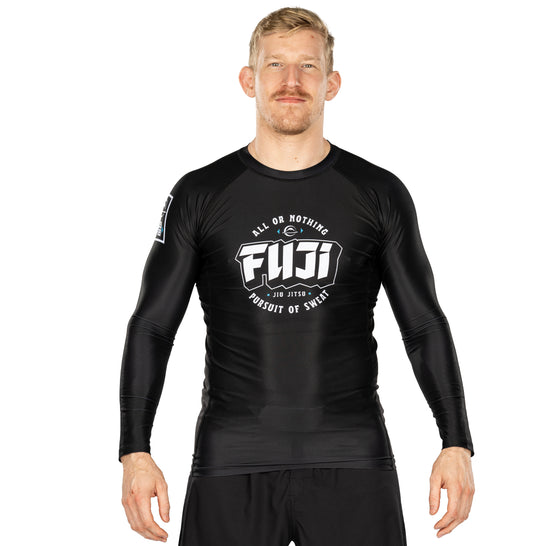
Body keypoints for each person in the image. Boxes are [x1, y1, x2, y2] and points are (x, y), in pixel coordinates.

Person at [119, 6, 475, 545]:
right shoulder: (199, 194)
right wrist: (135, 450)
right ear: (248, 80)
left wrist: (455, 440)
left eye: (308, 66)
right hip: (231, 460)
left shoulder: (378, 193)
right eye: (275, 65)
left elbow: (423, 323)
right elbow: (151, 326)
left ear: (332, 83)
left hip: (352, 458)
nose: (291, 81)